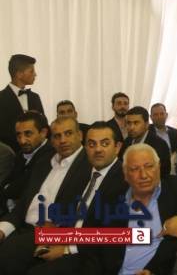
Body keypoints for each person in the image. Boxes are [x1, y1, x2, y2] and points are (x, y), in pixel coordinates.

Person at [81, 143, 177, 275]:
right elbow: (91, 247)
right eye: (134, 169)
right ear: (125, 174)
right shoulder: (110, 200)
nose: (143, 175)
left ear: (159, 167)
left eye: (149, 166)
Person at [27, 121, 128, 275]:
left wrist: (67, 249)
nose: (98, 149)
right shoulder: (85, 174)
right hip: (71, 239)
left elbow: (111, 234)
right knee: (18, 259)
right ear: (85, 147)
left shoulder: (123, 180)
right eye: (92, 144)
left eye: (105, 143)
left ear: (117, 147)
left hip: (94, 256)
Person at [0, 117, 91, 275]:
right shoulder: (44, 162)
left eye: (68, 133)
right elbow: (23, 205)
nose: (63, 140)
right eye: (57, 136)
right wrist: (2, 229)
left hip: (50, 233)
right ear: (51, 140)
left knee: (7, 258)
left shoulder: (89, 165)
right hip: (22, 228)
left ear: (80, 135)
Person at [0, 112, 54, 215]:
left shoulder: (51, 154)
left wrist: (7, 189)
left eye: (28, 134)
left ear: (43, 132)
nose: (22, 141)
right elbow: (8, 182)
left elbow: (22, 188)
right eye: (18, 135)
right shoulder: (21, 154)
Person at [0, 54, 44, 154]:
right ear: (19, 74)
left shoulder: (35, 97)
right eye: (31, 71)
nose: (35, 74)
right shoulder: (1, 99)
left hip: (38, 154)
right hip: (10, 154)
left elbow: (43, 125)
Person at [122, 106, 171, 176]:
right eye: (129, 123)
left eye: (136, 123)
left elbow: (163, 173)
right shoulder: (127, 141)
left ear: (147, 124)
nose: (131, 127)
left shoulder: (159, 144)